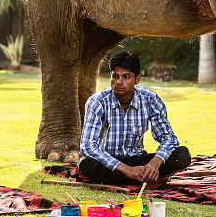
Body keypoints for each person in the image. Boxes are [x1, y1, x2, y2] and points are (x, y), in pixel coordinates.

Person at [78, 51, 190, 184]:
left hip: (137, 159)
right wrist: (126, 170)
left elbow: (168, 138)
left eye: (126, 77)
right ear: (110, 76)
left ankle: (134, 177)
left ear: (137, 79)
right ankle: (142, 179)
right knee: (86, 165)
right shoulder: (97, 101)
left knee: (182, 155)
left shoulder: (150, 99)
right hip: (109, 162)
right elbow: (88, 147)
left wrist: (154, 164)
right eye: (115, 76)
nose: (119, 82)